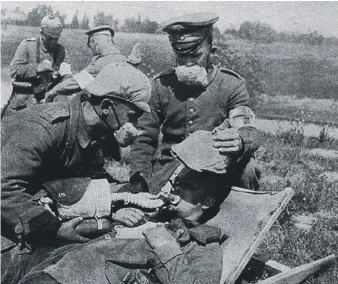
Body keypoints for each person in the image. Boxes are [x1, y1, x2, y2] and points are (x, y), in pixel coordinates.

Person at [1, 62, 152, 284]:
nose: (135, 125)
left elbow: (86, 186)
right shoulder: (45, 127)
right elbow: (4, 189)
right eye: (131, 116)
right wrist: (54, 230)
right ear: (107, 106)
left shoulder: (95, 135)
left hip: (29, 212)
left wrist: (111, 211)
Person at [13, 133, 228, 284]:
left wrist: (166, 248)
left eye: (187, 186)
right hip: (46, 269)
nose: (175, 190)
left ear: (207, 200)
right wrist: (114, 215)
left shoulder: (203, 246)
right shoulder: (145, 212)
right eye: (176, 182)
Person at [129, 12, 261, 194]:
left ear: (211, 51)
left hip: (217, 170)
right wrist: (139, 179)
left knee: (248, 168)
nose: (188, 63)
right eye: (182, 57)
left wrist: (240, 141)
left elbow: (248, 130)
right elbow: (144, 138)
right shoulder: (161, 85)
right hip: (171, 170)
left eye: (195, 55)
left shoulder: (231, 85)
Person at [45, 25, 140, 102]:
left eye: (89, 42)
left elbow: (76, 83)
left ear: (95, 43)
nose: (89, 47)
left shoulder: (101, 63)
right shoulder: (122, 59)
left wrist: (52, 92)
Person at [2, 14, 71, 117]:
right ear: (41, 34)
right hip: (24, 100)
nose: (53, 42)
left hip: (48, 101)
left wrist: (66, 77)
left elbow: (67, 77)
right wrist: (36, 68)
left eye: (56, 39)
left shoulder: (61, 51)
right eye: (50, 38)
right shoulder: (27, 46)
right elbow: (14, 69)